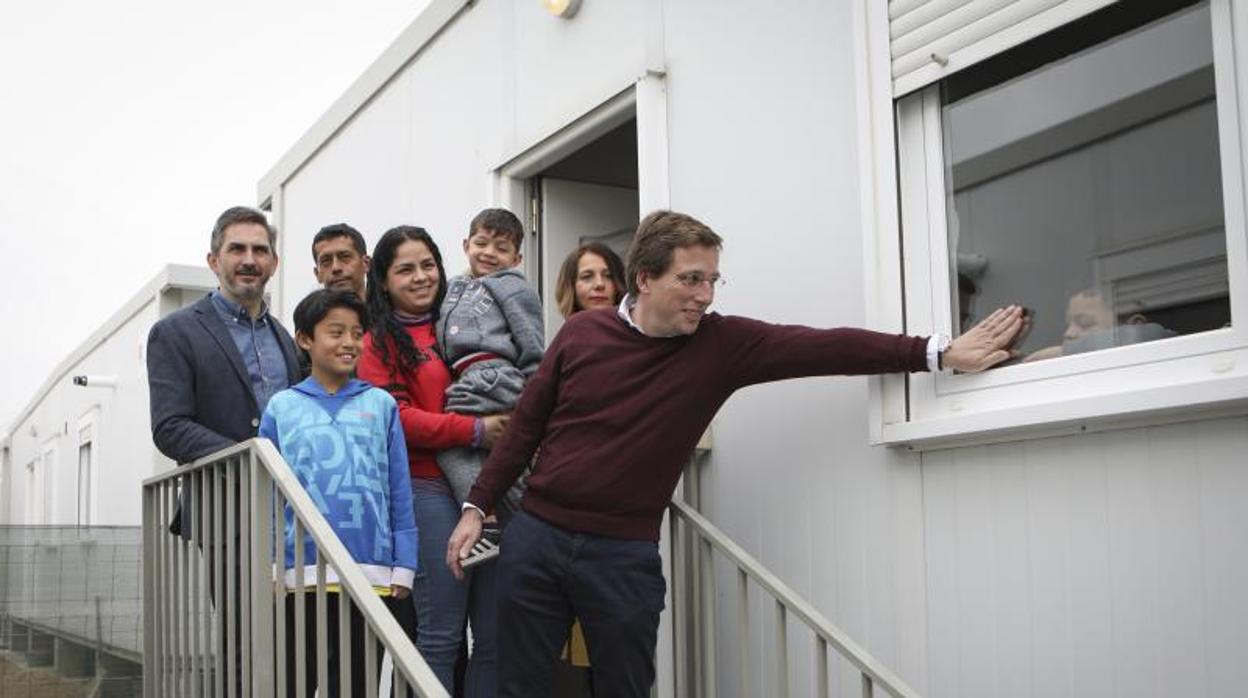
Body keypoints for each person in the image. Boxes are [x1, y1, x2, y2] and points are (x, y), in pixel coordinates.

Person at [446, 210, 1026, 697]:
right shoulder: (580, 335)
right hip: (538, 539)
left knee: (624, 687)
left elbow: (823, 347)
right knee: (520, 687)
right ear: (644, 279)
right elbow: (525, 428)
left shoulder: (721, 345)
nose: (705, 295)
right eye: (691, 280)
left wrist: (937, 353)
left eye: (712, 281)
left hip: (620, 556)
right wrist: (477, 506)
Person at [146, 205, 303, 691]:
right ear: (214, 260)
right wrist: (254, 456)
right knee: (245, 646)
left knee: (296, 644)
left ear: (274, 263)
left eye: (260, 250)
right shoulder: (175, 332)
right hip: (227, 512)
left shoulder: (288, 340)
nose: (249, 259)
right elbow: (170, 427)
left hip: (294, 516)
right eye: (237, 248)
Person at [356, 226, 508, 697]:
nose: (421, 277)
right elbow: (395, 419)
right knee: (441, 636)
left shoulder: (459, 322)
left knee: (495, 637)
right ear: (382, 281)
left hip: (491, 490)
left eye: (428, 265)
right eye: (405, 269)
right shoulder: (377, 343)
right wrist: (477, 429)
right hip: (427, 490)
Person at [260, 289, 417, 696]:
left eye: (357, 332)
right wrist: (273, 562)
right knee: (295, 680)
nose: (350, 342)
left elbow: (398, 487)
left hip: (371, 572)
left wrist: (405, 563)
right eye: (336, 332)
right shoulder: (281, 407)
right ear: (305, 340)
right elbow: (267, 495)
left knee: (357, 683)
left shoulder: (381, 404)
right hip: (301, 574)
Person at [436, 208, 542, 527]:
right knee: (497, 455)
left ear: (517, 258)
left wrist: (536, 403)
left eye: (502, 248)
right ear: (466, 244)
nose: (490, 253)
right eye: (482, 243)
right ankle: (509, 518)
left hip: (493, 376)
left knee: (452, 445)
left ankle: (487, 515)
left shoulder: (514, 287)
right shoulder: (452, 286)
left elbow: (532, 343)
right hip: (466, 378)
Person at [554, 241, 627, 318]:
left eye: (608, 276)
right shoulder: (568, 330)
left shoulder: (635, 329)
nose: (600, 284)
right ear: (571, 286)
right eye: (587, 276)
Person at [313, 223, 370, 300]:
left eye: (345, 257)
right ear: (317, 274)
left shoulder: (389, 311)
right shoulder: (304, 312)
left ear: (366, 263)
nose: (336, 268)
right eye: (326, 261)